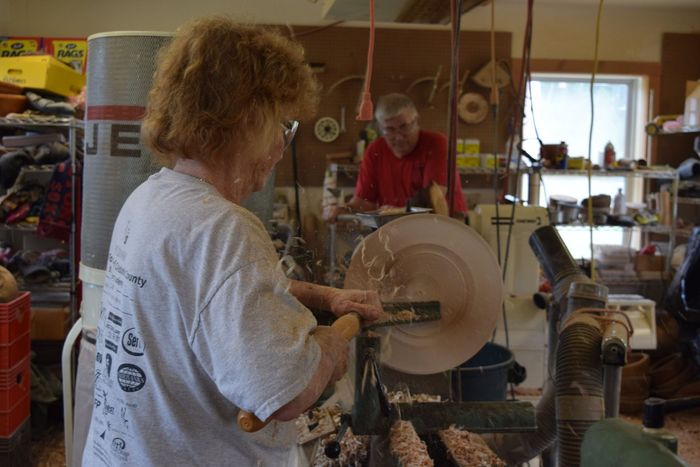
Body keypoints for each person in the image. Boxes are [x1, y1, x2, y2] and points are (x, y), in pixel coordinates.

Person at [81, 17, 381, 466]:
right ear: (247, 120)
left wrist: (325, 297)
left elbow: (203, 296)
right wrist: (331, 349)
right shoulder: (222, 227)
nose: (281, 148)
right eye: (282, 126)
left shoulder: (149, 198)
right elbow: (284, 394)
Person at [323, 93, 466, 221]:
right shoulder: (375, 150)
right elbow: (364, 203)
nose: (398, 137)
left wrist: (395, 212)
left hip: (444, 226)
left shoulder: (436, 144)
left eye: (404, 127)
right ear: (380, 128)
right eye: (390, 130)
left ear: (416, 121)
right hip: (398, 228)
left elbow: (434, 200)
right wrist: (342, 208)